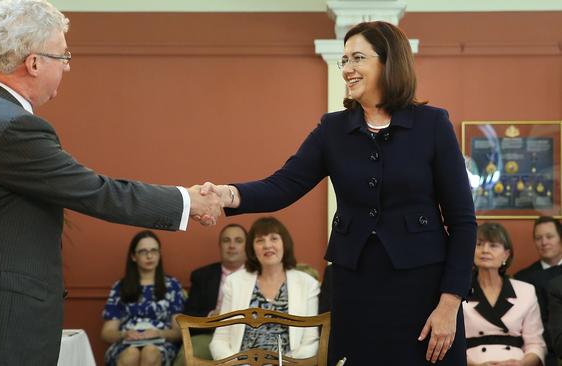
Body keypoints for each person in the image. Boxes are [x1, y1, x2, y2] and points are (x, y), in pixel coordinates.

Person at [0, 1, 221, 365]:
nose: (68, 65)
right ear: (35, 62)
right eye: (63, 55)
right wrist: (187, 201)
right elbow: (96, 192)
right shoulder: (10, 126)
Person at [200, 20, 477, 365]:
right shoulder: (332, 129)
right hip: (355, 284)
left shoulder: (432, 124)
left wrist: (450, 304)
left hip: (423, 289)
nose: (347, 69)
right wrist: (226, 194)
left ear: (389, 62)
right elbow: (283, 185)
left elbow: (463, 222)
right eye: (343, 60)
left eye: (357, 58)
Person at [209, 217, 320, 360]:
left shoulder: (307, 284)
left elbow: (310, 342)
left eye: (274, 238)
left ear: (284, 244)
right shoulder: (234, 282)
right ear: (252, 249)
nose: (267, 245)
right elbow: (220, 340)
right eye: (260, 240)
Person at [463, 222, 546, 366]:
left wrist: (521, 364)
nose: (485, 250)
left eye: (493, 245)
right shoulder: (458, 292)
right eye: (479, 244)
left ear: (506, 255)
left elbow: (535, 344)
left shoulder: (526, 291)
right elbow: (450, 343)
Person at [101, 231, 186, 366]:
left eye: (154, 250)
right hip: (126, 344)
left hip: (161, 343)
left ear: (159, 254)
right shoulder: (120, 287)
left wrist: (158, 333)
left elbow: (178, 331)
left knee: (150, 352)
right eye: (143, 251)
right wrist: (125, 335)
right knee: (131, 354)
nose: (149, 255)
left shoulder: (172, 285)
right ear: (134, 256)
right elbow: (107, 332)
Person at [172, 223, 247, 365]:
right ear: (220, 245)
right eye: (226, 240)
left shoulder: (258, 275)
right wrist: (212, 317)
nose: (232, 245)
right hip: (209, 334)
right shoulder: (202, 275)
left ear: (247, 246)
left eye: (238, 241)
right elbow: (189, 316)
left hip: (245, 335)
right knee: (186, 358)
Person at [515, 216, 562, 365]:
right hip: (541, 351)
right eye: (538, 238)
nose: (544, 242)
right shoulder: (522, 278)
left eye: (549, 236)